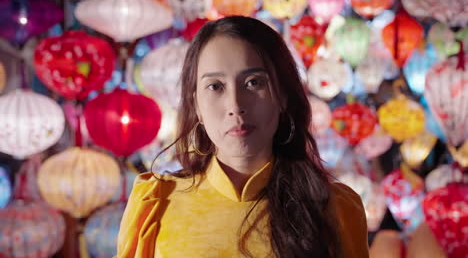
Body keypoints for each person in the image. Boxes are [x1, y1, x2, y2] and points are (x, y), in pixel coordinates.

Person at [115, 16, 368, 258]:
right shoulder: (155, 203)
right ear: (197, 107)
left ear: (282, 96)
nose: (235, 105)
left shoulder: (336, 208)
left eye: (253, 83)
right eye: (215, 86)